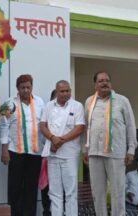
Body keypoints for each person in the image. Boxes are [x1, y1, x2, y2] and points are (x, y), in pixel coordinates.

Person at [83, 71, 138, 216]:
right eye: (101, 81)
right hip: (95, 152)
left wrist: (131, 149)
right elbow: (86, 126)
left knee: (117, 191)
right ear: (95, 85)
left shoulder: (122, 100)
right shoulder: (89, 101)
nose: (104, 83)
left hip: (116, 152)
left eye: (107, 80)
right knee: (97, 192)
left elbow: (131, 126)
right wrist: (85, 150)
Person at [0, 74, 44, 216]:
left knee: (31, 187)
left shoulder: (39, 102)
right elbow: (4, 127)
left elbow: (43, 125)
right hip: (15, 151)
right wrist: (4, 151)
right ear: (17, 88)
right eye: (22, 87)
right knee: (15, 187)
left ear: (32, 87)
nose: (26, 90)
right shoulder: (8, 103)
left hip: (35, 151)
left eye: (28, 87)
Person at [40, 80, 85, 216]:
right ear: (56, 92)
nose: (66, 93)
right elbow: (42, 126)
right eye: (62, 91)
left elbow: (79, 128)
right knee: (54, 192)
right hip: (52, 155)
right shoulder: (48, 106)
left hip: (69, 155)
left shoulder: (77, 106)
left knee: (71, 192)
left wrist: (60, 140)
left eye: (68, 90)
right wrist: (53, 138)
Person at [40, 89, 56, 216]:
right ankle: (47, 211)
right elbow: (41, 138)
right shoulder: (45, 115)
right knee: (46, 188)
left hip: (66, 157)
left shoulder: (72, 112)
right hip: (48, 157)